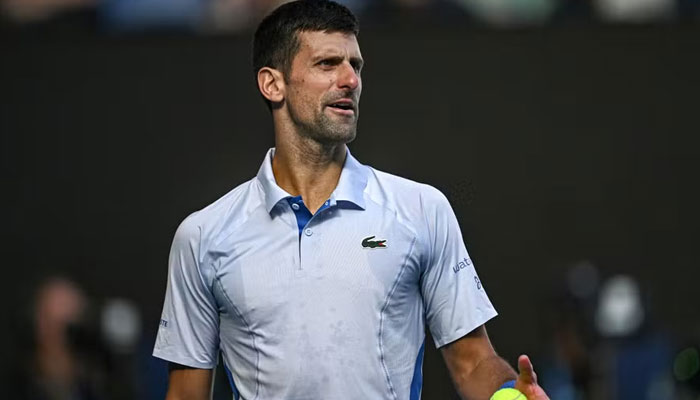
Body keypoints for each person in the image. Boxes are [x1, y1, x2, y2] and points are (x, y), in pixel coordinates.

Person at [153, 1, 550, 399]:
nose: (350, 80)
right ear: (273, 84)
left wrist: (509, 394)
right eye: (327, 64)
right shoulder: (203, 237)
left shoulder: (422, 211)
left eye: (355, 66)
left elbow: (475, 363)